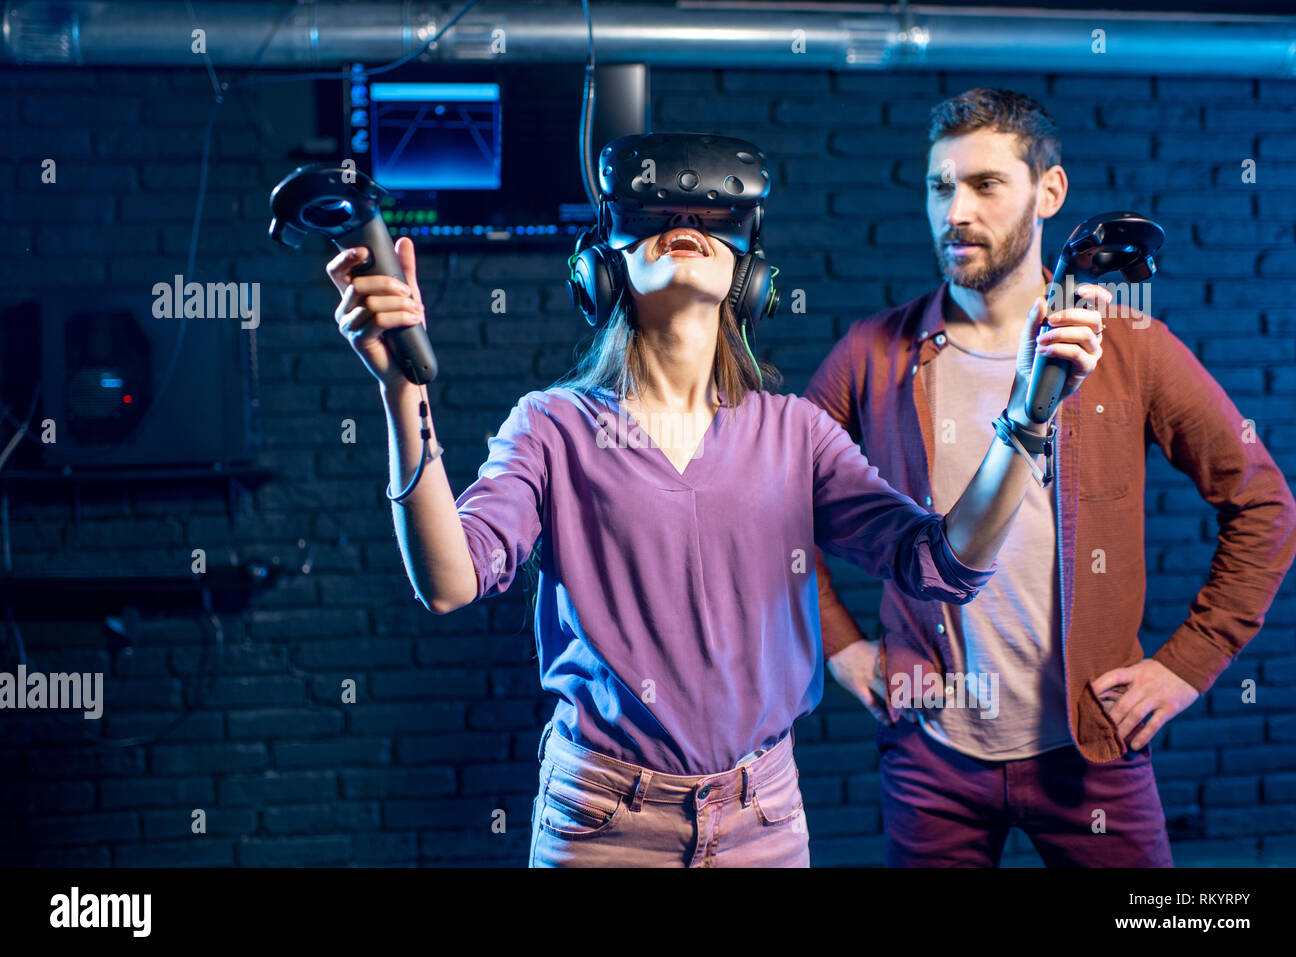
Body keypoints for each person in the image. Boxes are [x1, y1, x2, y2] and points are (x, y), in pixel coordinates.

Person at [324, 132, 1105, 867]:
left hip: (762, 814)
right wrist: (400, 392)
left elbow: (943, 562)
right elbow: (451, 579)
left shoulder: (796, 433)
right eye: (659, 216)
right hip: (601, 817)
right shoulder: (552, 425)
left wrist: (1028, 417)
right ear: (604, 267)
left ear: (750, 276)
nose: (687, 224)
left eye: (713, 218)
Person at [806, 89, 1296, 867]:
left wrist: (1184, 665)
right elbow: (769, 502)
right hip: (931, 756)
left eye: (984, 185)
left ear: (1050, 192)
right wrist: (840, 647)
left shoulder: (1129, 345)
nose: (954, 211)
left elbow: (1265, 505)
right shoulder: (874, 352)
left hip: (1090, 749)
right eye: (940, 187)